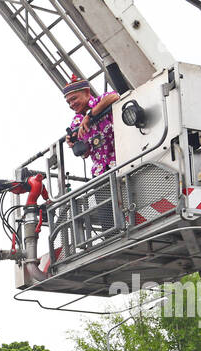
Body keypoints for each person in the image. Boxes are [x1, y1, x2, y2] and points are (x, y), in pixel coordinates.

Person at [63, 74, 120, 238]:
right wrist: (74, 143)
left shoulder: (100, 101)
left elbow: (114, 96)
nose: (72, 104)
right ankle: (111, 237)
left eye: (74, 99)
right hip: (100, 170)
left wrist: (90, 115)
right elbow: (86, 152)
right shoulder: (75, 123)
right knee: (105, 211)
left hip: (119, 160)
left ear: (87, 92)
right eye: (68, 102)